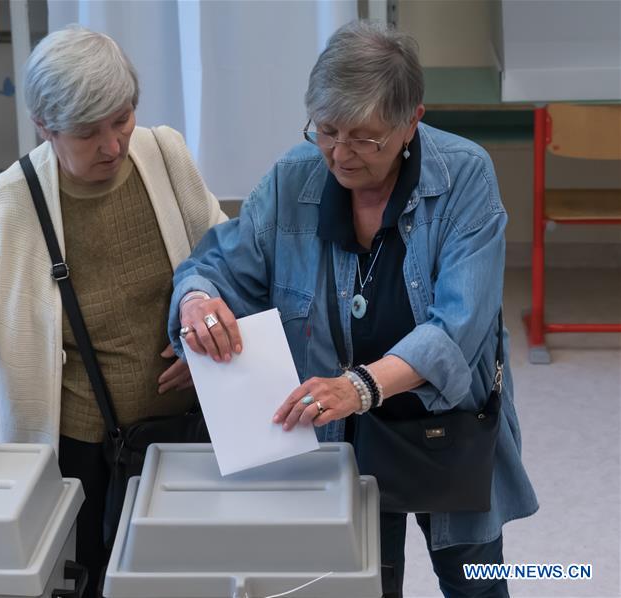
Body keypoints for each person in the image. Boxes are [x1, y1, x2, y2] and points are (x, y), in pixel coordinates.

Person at [169, 20, 537, 598]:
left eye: (365, 138)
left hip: (443, 426)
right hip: (337, 437)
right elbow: (217, 265)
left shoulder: (465, 175)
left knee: (476, 582)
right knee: (359, 585)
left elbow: (459, 327)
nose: (340, 154)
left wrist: (361, 386)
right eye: (327, 130)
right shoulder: (297, 175)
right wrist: (197, 302)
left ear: (411, 119)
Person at [0, 25, 226, 597]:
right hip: (82, 446)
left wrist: (200, 338)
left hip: (186, 427)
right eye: (87, 132)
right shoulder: (11, 203)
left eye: (122, 119)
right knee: (86, 577)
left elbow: (228, 259)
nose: (113, 145)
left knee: (187, 575)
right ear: (44, 127)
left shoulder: (166, 153)